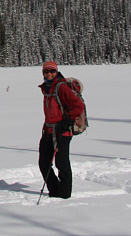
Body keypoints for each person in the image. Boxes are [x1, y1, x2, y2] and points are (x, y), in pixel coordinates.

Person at [38, 60, 86, 199]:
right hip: (48, 130)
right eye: (46, 72)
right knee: (43, 162)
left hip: (62, 131)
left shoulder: (61, 87)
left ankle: (64, 194)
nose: (49, 74)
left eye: (52, 71)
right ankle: (54, 190)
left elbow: (78, 106)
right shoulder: (46, 88)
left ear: (56, 72)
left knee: (61, 162)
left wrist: (67, 121)